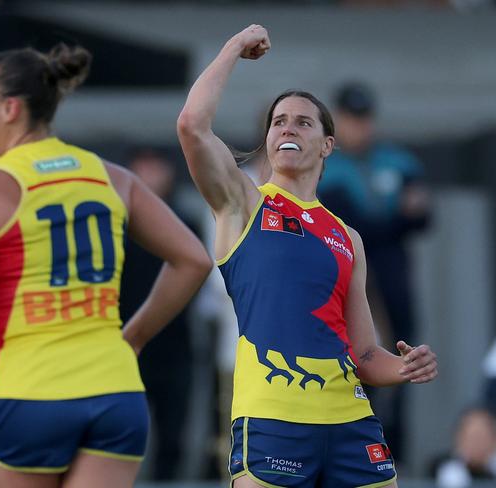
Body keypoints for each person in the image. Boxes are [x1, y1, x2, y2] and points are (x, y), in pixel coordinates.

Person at [0, 42, 212, 488]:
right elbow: (193, 259)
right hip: (115, 394)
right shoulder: (111, 175)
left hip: (29, 391)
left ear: (9, 108)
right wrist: (133, 337)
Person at [177, 24, 438, 488]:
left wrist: (405, 367)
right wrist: (234, 48)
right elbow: (192, 125)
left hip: (350, 421)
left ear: (327, 145)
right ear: (268, 141)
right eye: (278, 121)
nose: (288, 128)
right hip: (273, 421)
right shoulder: (244, 202)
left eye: (303, 122)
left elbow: (363, 354)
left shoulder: (347, 237)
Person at [317, 81, 432, 461]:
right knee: (359, 358)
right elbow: (351, 226)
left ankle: (396, 450)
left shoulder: (397, 161)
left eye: (364, 119)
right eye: (352, 119)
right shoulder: (328, 168)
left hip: (393, 276)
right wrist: (398, 214)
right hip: (352, 280)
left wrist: (387, 222)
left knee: (404, 354)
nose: (360, 128)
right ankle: (360, 448)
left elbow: (424, 217)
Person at [120, 148, 197, 480]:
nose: (150, 175)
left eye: (156, 167)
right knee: (120, 438)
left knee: (171, 436)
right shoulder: (116, 224)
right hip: (123, 345)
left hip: (174, 346)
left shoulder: (186, 222)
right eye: (142, 166)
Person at [432, 407, 496, 487]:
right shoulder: (438, 468)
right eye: (471, 436)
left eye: (481, 437)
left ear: (494, 440)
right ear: (458, 437)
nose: (476, 443)